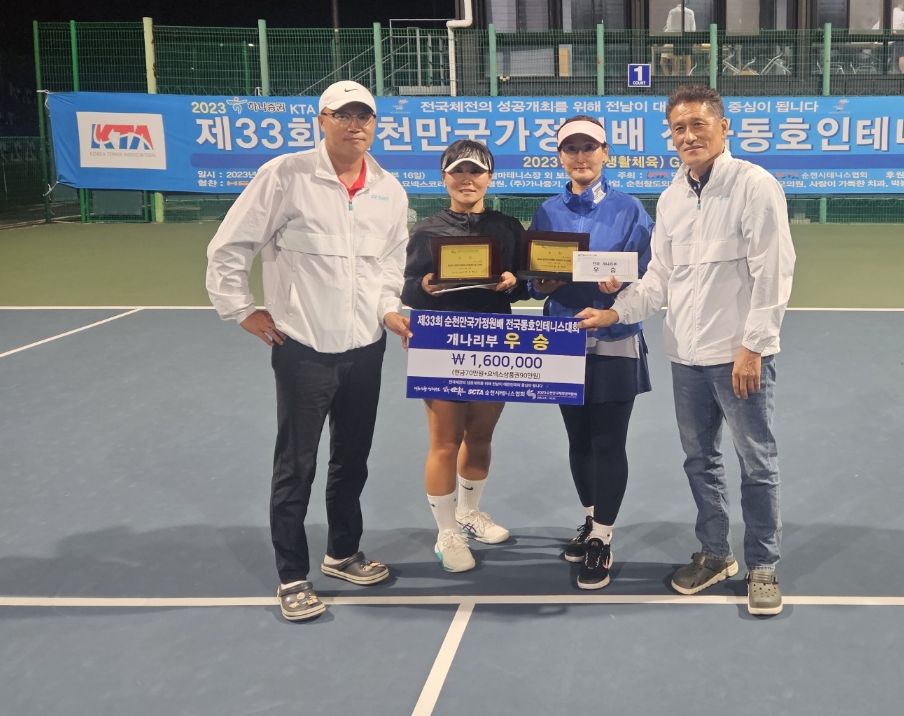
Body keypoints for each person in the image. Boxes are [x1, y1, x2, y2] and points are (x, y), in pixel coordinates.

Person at [577, 85, 795, 616]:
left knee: (756, 462)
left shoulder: (754, 185)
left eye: (699, 124)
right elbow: (660, 278)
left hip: (738, 357)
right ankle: (716, 553)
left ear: (724, 128)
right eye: (679, 128)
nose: (689, 135)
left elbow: (774, 270)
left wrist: (754, 347)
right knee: (700, 461)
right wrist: (615, 312)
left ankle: (763, 565)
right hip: (686, 358)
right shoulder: (672, 197)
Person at [206, 80, 411, 623]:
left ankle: (342, 552)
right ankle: (292, 576)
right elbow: (229, 247)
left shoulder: (389, 190)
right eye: (343, 115)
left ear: (375, 123)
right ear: (321, 120)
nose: (355, 125)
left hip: (366, 350)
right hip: (303, 349)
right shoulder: (285, 175)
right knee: (296, 465)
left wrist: (388, 309)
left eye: (364, 116)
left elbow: (390, 265)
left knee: (352, 459)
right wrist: (240, 308)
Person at [529, 116, 654, 590]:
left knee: (607, 441)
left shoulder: (631, 208)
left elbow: (650, 274)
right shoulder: (547, 211)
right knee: (578, 439)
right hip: (561, 338)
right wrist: (540, 284)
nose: (580, 156)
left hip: (614, 335)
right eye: (571, 148)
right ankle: (590, 518)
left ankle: (602, 536)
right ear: (560, 156)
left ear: (605, 153)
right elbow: (535, 276)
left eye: (589, 147)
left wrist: (620, 287)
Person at [401, 139, 529, 574]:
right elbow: (409, 288)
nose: (467, 179)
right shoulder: (426, 230)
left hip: (495, 341)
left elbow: (525, 283)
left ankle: (468, 514)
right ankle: (446, 533)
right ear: (444, 178)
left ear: (489, 177)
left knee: (480, 437)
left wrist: (513, 281)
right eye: (458, 171)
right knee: (444, 441)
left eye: (475, 171)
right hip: (442, 342)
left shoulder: (508, 227)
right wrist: (425, 287)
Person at [660, 0, 697, 75]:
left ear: (677, 2)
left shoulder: (672, 12)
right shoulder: (690, 12)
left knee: (677, 56)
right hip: (687, 37)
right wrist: (693, 39)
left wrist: (667, 34)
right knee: (688, 57)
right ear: (685, 2)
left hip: (676, 37)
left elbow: (669, 25)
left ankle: (676, 74)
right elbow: (693, 27)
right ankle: (688, 74)